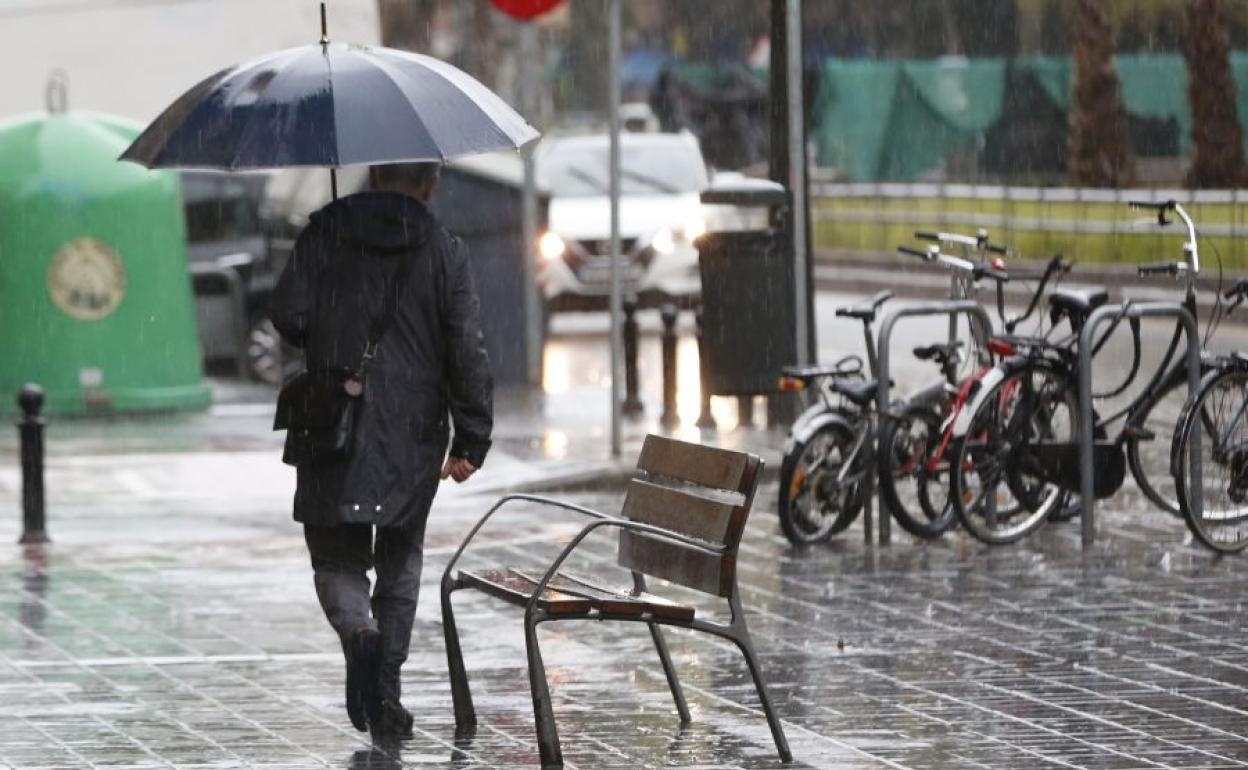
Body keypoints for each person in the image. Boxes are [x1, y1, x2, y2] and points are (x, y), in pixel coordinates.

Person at [270, 162, 492, 740]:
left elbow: (288, 316)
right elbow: (465, 347)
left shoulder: (324, 232)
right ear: (431, 184)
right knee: (400, 559)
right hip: (411, 431)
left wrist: (334, 304)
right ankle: (385, 688)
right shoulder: (444, 250)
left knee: (336, 557)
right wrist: (472, 436)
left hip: (332, 424)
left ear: (371, 176)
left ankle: (359, 633)